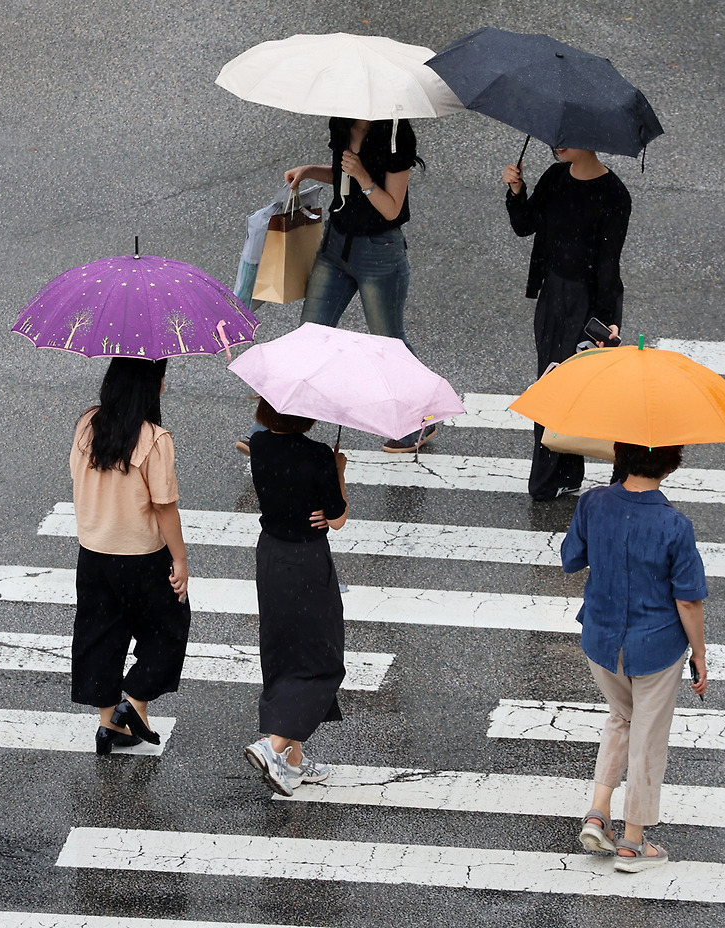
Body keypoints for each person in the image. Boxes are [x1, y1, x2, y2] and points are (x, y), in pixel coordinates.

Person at [239, 117, 432, 454]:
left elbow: (392, 208)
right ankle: (268, 427)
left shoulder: (397, 136)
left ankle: (423, 418)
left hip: (379, 252)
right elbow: (342, 177)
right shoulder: (341, 123)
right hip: (336, 247)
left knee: (389, 341)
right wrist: (312, 170)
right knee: (308, 336)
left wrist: (363, 176)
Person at [560, 443, 708, 872]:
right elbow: (689, 602)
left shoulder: (592, 503)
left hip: (602, 641)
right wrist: (699, 651)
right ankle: (632, 842)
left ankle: (598, 811)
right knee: (647, 736)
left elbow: (572, 559)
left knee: (621, 718)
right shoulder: (675, 525)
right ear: (670, 463)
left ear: (618, 458)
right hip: (656, 646)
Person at [69, 357, 190, 755]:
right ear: (153, 385)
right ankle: (134, 702)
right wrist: (180, 560)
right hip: (140, 556)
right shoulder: (155, 439)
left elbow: (76, 475)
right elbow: (164, 507)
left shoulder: (88, 424)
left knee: (100, 635)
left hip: (94, 552)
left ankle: (109, 725)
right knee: (168, 627)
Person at [503, 148, 631, 500]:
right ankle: (562, 473)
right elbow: (525, 225)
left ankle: (580, 474)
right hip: (552, 295)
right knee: (551, 381)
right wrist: (517, 192)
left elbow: (609, 262)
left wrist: (607, 321)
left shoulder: (614, 194)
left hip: (586, 302)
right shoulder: (555, 176)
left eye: (567, 137)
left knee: (578, 387)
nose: (558, 144)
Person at [243, 399, 349, 796]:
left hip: (271, 556)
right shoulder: (318, 455)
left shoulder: (259, 445)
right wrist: (338, 473)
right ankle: (273, 746)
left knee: (282, 648)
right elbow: (337, 518)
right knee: (322, 662)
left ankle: (293, 762)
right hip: (307, 561)